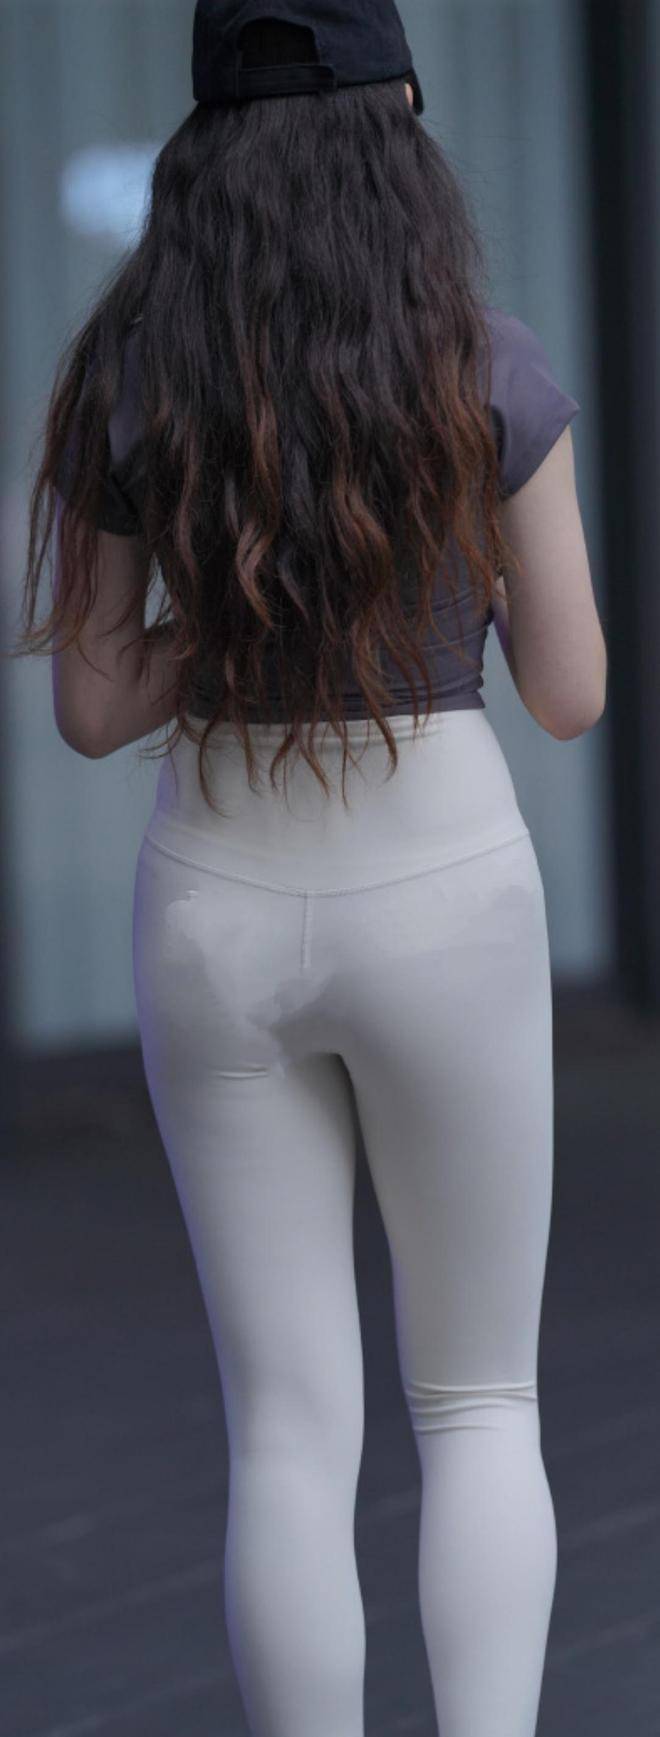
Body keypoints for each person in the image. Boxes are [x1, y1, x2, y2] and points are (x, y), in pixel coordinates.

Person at [14, 3, 607, 1733]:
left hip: (217, 894)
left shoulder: (131, 378)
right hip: (448, 884)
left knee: (286, 1426)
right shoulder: (486, 367)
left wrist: (250, 605)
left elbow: (91, 707)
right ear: (403, 114)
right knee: (480, 1402)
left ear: (200, 149)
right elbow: (570, 692)